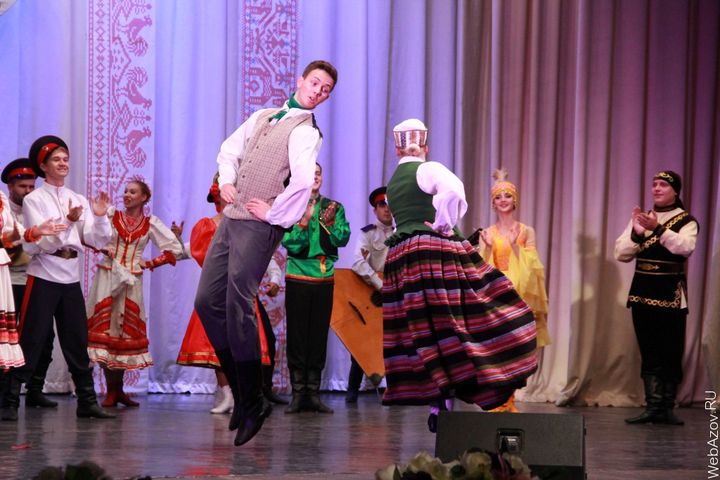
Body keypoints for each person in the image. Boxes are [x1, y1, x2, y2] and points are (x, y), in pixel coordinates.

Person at [194, 60, 337, 446]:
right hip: (232, 218)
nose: (318, 91)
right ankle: (244, 397)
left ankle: (254, 400)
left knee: (237, 303)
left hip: (259, 225)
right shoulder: (264, 115)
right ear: (301, 80)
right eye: (315, 83)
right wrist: (226, 182)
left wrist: (274, 214)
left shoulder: (306, 131)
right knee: (207, 301)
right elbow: (229, 150)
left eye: (325, 90)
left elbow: (303, 181)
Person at [381, 119, 538, 431]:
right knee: (474, 313)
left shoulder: (392, 187)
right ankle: (492, 382)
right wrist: (443, 223)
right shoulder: (427, 168)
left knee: (426, 331)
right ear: (424, 148)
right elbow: (453, 189)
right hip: (431, 251)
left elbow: (399, 225)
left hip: (402, 259)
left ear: (397, 150)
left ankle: (439, 402)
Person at [0, 135, 115, 421]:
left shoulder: (78, 198)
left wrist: (100, 217)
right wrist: (68, 222)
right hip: (43, 275)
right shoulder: (34, 199)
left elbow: (95, 238)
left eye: (65, 159)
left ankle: (87, 401)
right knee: (32, 338)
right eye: (56, 159)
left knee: (76, 338)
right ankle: (10, 401)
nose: (63, 163)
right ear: (43, 165)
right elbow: (39, 245)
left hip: (70, 277)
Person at [177, 177, 286, 414]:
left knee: (254, 340)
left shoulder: (248, 222)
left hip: (241, 294)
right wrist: (161, 256)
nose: (224, 202)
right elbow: (186, 250)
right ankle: (231, 394)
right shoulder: (209, 226)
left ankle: (256, 394)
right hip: (218, 295)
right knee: (218, 342)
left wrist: (275, 278)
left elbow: (263, 255)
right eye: (220, 198)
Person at [85, 179, 184, 407]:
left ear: (144, 197)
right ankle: (111, 391)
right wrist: (103, 247)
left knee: (123, 333)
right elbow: (89, 236)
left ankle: (118, 390)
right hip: (108, 277)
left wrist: (150, 263)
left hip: (131, 282)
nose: (127, 195)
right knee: (107, 331)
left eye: (132, 192)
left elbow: (175, 249)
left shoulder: (150, 224)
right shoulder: (112, 215)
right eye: (126, 191)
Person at [614, 170, 698, 426]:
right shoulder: (642, 218)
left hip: (670, 294)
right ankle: (653, 406)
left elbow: (685, 248)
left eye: (663, 184)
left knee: (670, 350)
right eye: (654, 184)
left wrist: (658, 229)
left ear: (675, 190)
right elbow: (621, 253)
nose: (657, 188)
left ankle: (666, 408)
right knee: (649, 350)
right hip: (642, 293)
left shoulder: (686, 220)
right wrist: (637, 233)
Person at [476, 169, 551, 412]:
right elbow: (482, 268)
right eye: (498, 197)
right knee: (498, 347)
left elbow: (534, 267)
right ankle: (499, 398)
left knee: (518, 348)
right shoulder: (487, 233)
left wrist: (515, 246)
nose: (503, 200)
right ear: (493, 202)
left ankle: (510, 398)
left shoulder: (525, 230)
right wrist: (489, 249)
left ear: (515, 200)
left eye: (508, 195)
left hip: (519, 295)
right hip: (497, 297)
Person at [282, 162, 351, 414]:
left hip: (323, 277)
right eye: (311, 174)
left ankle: (313, 392)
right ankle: (298, 393)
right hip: (297, 276)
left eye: (318, 173)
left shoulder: (333, 207)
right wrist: (304, 221)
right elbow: (289, 243)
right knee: (297, 335)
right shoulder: (291, 206)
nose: (316, 177)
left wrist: (328, 223)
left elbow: (342, 239)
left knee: (318, 335)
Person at [1, 158, 59, 408]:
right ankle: (6, 392)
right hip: (8, 281)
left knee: (44, 336)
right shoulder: (4, 211)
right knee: (7, 337)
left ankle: (35, 388)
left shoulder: (38, 208)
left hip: (36, 278)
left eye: (31, 186)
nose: (27, 191)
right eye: (22, 186)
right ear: (10, 186)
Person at [345, 186, 393, 403]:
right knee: (363, 341)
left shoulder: (402, 233)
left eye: (389, 205)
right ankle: (352, 389)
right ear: (375, 210)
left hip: (396, 293)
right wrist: (378, 283)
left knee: (395, 343)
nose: (387, 209)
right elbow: (357, 262)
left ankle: (396, 389)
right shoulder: (368, 233)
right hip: (373, 294)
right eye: (382, 205)